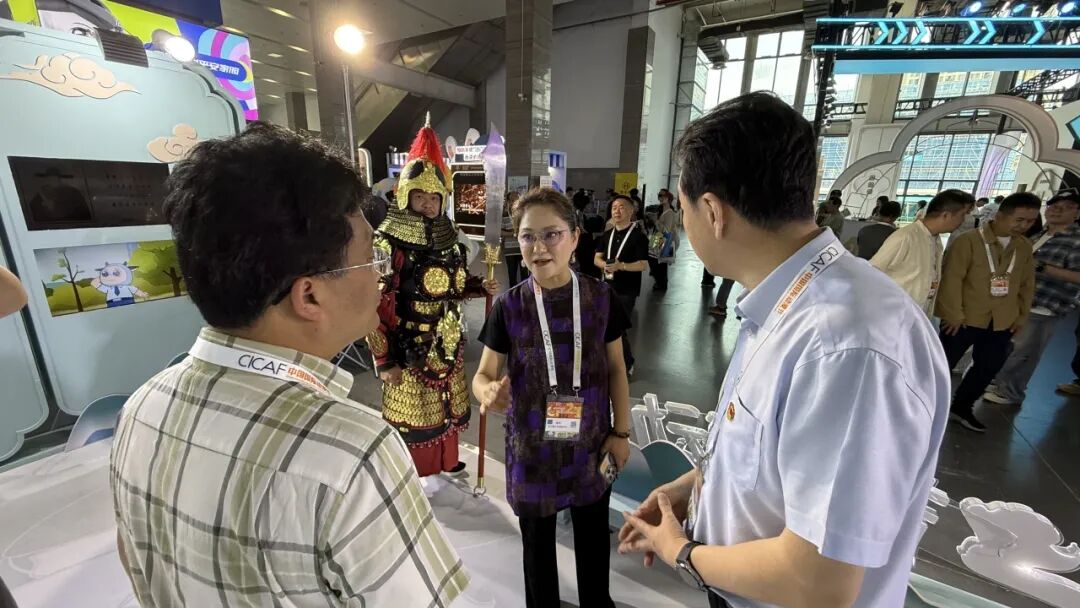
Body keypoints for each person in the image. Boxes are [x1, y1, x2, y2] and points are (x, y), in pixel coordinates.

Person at [109, 123, 469, 606]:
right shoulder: (354, 451)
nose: (380, 277)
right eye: (371, 259)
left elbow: (136, 563)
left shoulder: (141, 407)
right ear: (309, 295)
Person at [617, 92, 950, 608]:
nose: (685, 223)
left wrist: (680, 552)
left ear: (713, 211)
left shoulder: (845, 348)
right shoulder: (785, 306)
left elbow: (818, 582)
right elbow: (769, 457)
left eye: (683, 209)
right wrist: (694, 487)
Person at [473, 188, 631, 608]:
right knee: (537, 549)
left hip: (591, 443)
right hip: (532, 450)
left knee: (593, 538)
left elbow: (617, 368)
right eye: (528, 236)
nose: (539, 247)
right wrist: (488, 391)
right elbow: (483, 374)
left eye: (551, 234)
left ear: (575, 238)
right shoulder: (510, 306)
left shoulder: (600, 299)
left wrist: (621, 433)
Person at [367, 118, 498, 481]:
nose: (427, 204)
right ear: (405, 195)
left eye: (434, 197)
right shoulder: (387, 242)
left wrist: (478, 287)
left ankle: (446, 462)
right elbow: (374, 306)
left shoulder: (449, 238)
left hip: (448, 340)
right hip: (408, 344)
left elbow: (452, 285)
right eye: (420, 196)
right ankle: (415, 476)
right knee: (415, 413)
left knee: (449, 407)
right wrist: (385, 360)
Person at [935, 192, 1040, 432]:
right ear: (1001, 216)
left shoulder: (1024, 246)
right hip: (963, 318)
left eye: (1030, 221)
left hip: (1002, 319)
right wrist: (952, 313)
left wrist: (1021, 316)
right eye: (1019, 220)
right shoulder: (968, 241)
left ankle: (962, 407)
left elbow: (1027, 284)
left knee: (988, 366)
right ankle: (925, 406)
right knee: (942, 365)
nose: (1024, 226)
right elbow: (952, 279)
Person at [984, 192, 1080, 406]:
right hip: (1015, 302)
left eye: (1067, 206)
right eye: (1054, 205)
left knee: (1025, 352)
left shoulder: (1075, 241)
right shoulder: (1039, 235)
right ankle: (999, 381)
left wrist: (1044, 268)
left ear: (1077, 213)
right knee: (1009, 347)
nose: (1057, 210)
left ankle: (1011, 391)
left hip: (1044, 305)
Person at [871, 189, 972, 316]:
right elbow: (872, 271)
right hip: (894, 315)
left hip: (919, 315)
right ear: (946, 215)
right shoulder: (906, 237)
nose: (964, 220)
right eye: (963, 215)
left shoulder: (935, 240)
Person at [595, 195, 649, 374]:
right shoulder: (607, 235)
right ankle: (612, 360)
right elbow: (596, 258)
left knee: (618, 327)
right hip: (606, 287)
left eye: (621, 207)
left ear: (631, 211)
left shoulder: (639, 237)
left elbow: (643, 264)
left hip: (627, 289)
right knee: (606, 324)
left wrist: (621, 266)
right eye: (614, 208)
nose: (616, 211)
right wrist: (605, 265)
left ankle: (627, 362)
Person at [648, 189, 680, 291]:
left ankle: (661, 283)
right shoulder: (661, 210)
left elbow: (666, 230)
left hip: (664, 239)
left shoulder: (669, 212)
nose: (660, 198)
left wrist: (656, 221)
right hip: (657, 237)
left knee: (661, 262)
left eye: (663, 196)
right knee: (653, 259)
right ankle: (659, 281)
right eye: (659, 195)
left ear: (668, 198)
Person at [503, 190, 528, 286]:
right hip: (510, 251)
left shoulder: (524, 214)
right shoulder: (504, 215)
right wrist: (513, 234)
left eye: (517, 199)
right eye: (512, 200)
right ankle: (513, 294)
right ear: (508, 201)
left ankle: (524, 293)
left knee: (525, 277)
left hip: (522, 250)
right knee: (512, 276)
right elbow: (500, 232)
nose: (514, 202)